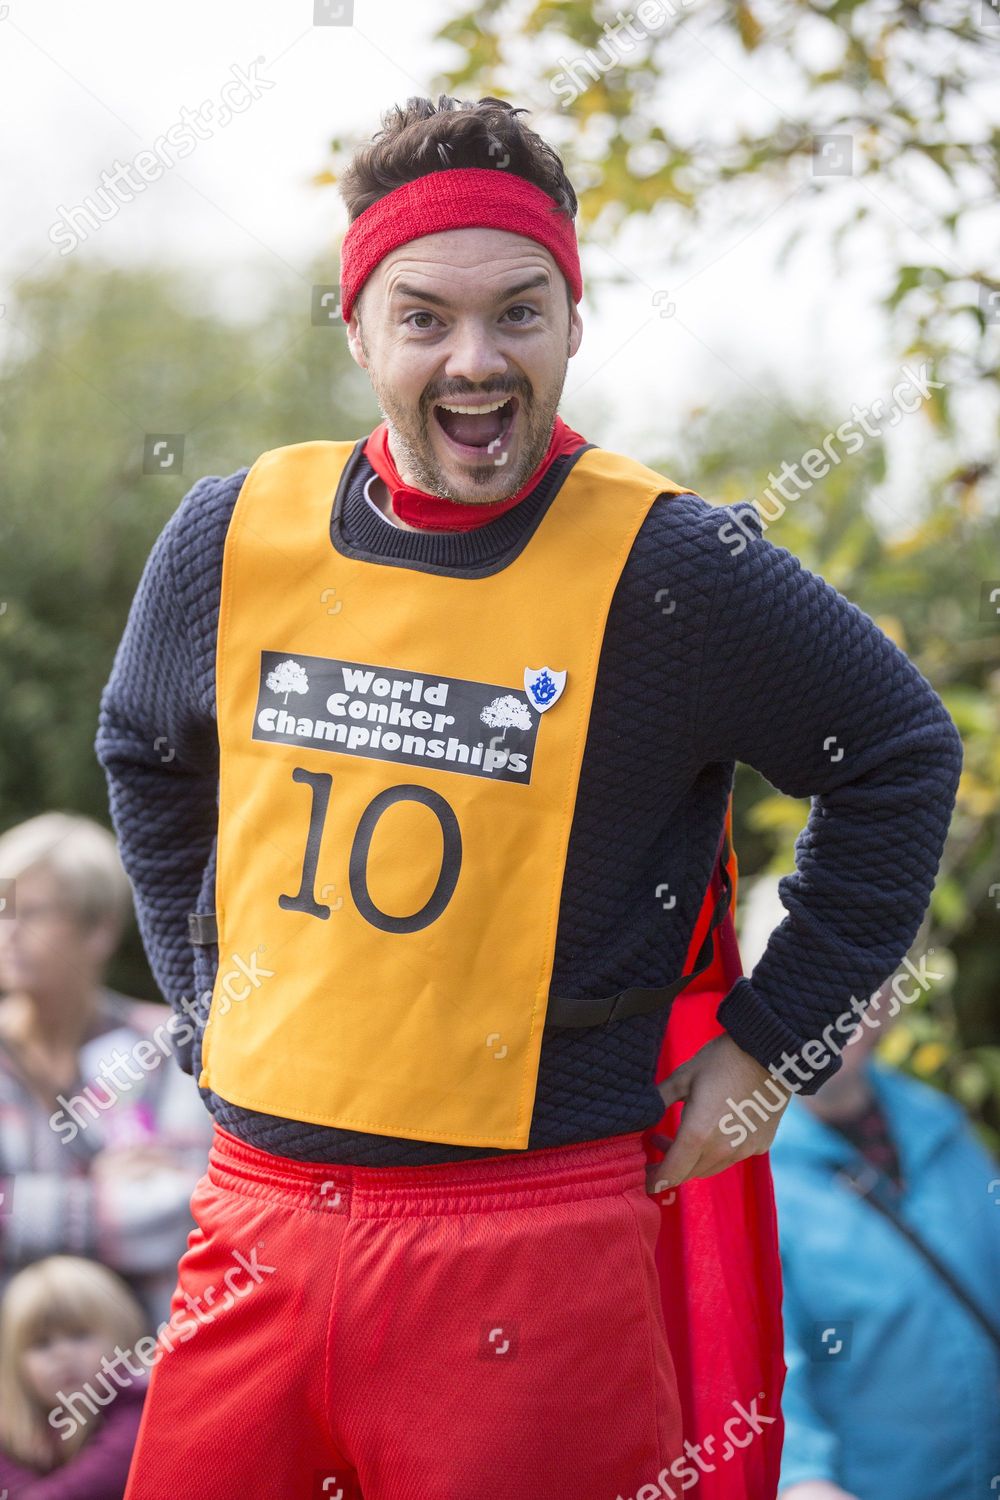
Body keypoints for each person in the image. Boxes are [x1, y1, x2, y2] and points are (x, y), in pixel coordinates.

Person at [94, 95, 964, 1500]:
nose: (476, 361)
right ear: (358, 328)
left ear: (575, 317)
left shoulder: (675, 567)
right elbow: (143, 745)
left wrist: (768, 1050)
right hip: (251, 1224)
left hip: (531, 1246)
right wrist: (202, 989)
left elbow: (902, 752)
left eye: (521, 312)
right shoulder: (229, 529)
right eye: (425, 318)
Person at [771, 986, 1000, 1500]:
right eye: (809, 989)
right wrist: (801, 1479)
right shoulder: (745, 1172)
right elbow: (762, 1370)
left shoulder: (939, 1121)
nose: (832, 1018)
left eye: (854, 990)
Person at [0, 812, 214, 1330]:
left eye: (31, 912)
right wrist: (108, 1194)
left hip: (143, 1373)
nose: (7, 931)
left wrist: (25, 1202)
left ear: (98, 930)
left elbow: (194, 1209)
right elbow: (148, 1211)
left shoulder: (167, 1045)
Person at [0, 1254, 148, 1499]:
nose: (62, 1354)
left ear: (122, 1337)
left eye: (79, 1335)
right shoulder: (16, 1423)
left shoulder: (137, 1406)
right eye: (42, 1344)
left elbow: (95, 1483)